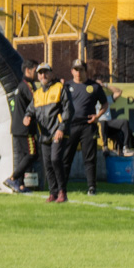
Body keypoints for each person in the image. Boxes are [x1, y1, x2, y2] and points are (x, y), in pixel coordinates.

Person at [57, 61, 108, 197]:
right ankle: (62, 187)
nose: (78, 73)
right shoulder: (66, 86)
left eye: (81, 70)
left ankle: (91, 187)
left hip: (88, 126)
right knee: (66, 157)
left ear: (85, 71)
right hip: (70, 126)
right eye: (76, 69)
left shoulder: (94, 86)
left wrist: (98, 116)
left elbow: (105, 104)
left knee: (89, 158)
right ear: (72, 71)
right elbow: (59, 105)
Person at [31, 65, 67, 203]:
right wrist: (27, 116)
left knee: (55, 160)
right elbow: (31, 109)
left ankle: (62, 191)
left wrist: (61, 128)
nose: (43, 75)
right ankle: (53, 193)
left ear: (51, 74)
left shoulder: (59, 88)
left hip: (57, 132)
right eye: (40, 73)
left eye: (45, 72)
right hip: (44, 134)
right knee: (47, 164)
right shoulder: (37, 93)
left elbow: (68, 110)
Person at [2, 61, 39, 194]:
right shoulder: (27, 85)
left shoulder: (21, 85)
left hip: (17, 127)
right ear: (28, 70)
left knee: (23, 156)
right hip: (25, 128)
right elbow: (37, 100)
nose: (37, 74)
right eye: (35, 70)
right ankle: (13, 178)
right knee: (32, 154)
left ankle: (20, 185)